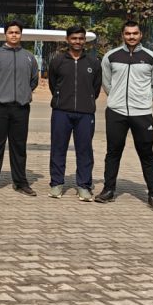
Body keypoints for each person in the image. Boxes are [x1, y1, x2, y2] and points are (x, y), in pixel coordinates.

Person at [96, 20, 153, 211]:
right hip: (116, 112)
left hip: (142, 113)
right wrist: (115, 98)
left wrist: (144, 100)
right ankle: (108, 190)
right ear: (123, 35)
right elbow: (106, 83)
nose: (131, 37)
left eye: (135, 33)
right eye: (128, 33)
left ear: (140, 35)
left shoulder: (152, 58)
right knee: (113, 152)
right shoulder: (111, 56)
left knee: (147, 154)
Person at [0, 20, 40, 196]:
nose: (14, 35)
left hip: (20, 108)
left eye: (17, 32)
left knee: (19, 146)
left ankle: (20, 182)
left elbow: (34, 80)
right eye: (11, 32)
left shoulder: (29, 56)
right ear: (5, 34)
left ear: (21, 34)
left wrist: (24, 93)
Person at [47, 25, 102, 202]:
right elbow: (53, 84)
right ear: (67, 40)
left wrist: (87, 100)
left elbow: (96, 87)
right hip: (61, 112)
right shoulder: (57, 61)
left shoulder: (93, 62)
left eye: (81, 38)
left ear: (85, 40)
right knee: (58, 148)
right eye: (74, 38)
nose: (77, 41)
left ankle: (84, 186)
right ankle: (56, 183)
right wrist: (61, 98)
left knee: (85, 150)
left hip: (85, 113)